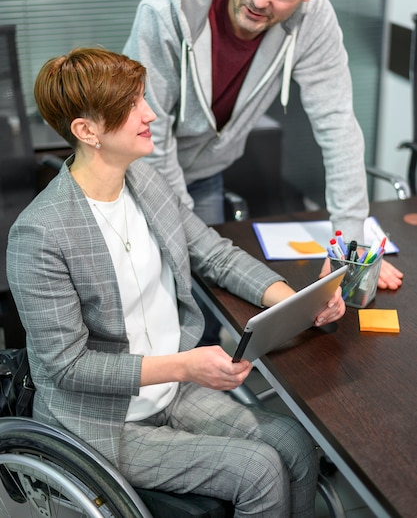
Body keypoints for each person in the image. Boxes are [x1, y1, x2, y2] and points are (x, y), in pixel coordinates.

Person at [7, 48, 346, 517]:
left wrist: (299, 303)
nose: (149, 114)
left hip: (171, 392)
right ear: (87, 131)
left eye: (143, 98)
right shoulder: (41, 234)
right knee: (259, 468)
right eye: (131, 106)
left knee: (295, 442)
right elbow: (67, 367)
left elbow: (216, 256)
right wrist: (184, 367)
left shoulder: (147, 183)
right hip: (103, 421)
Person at [123, 0, 403, 344]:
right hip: (140, 174)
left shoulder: (315, 20)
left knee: (208, 308)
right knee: (155, 305)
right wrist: (189, 234)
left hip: (207, 175)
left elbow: (338, 125)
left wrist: (351, 247)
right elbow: (148, 134)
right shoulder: (168, 6)